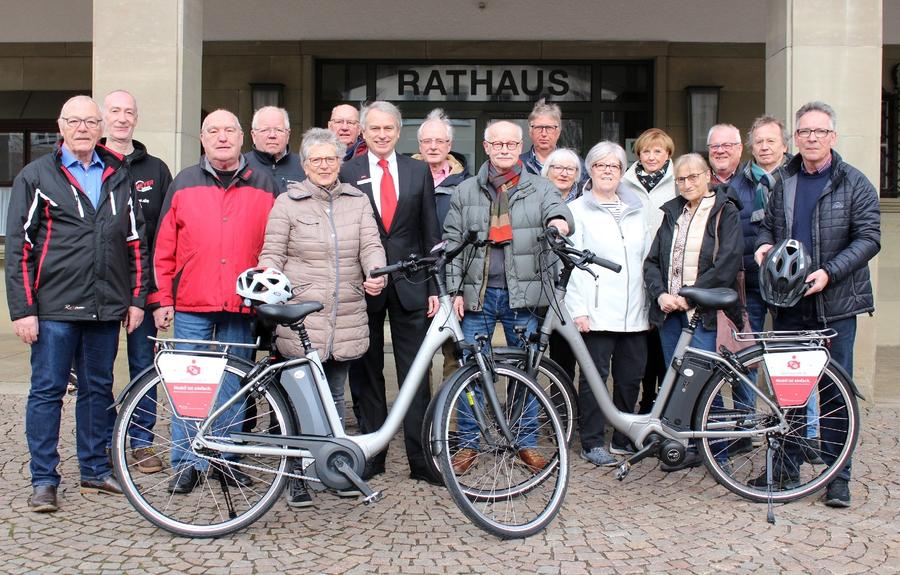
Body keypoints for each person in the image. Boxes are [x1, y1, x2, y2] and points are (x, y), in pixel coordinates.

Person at [6, 95, 148, 512]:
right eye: (74, 121)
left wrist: (136, 299)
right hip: (54, 308)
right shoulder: (36, 176)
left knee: (98, 390)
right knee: (47, 391)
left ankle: (94, 470)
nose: (82, 128)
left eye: (89, 121)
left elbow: (136, 242)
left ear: (100, 127)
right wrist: (23, 310)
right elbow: (18, 247)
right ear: (61, 126)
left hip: (105, 307)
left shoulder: (118, 174)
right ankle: (44, 479)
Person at [755, 101, 881, 508]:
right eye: (805, 131)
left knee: (834, 393)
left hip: (836, 305)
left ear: (833, 137)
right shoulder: (785, 181)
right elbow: (769, 227)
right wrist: (763, 247)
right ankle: (786, 468)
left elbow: (869, 238)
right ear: (795, 138)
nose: (812, 138)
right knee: (789, 391)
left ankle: (837, 477)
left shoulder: (855, 182)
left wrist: (829, 272)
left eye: (820, 131)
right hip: (790, 302)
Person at [150, 109, 278, 494]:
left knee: (232, 387)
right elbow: (164, 245)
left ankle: (226, 459)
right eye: (213, 131)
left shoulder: (265, 183)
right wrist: (162, 298)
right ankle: (187, 462)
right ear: (202, 139)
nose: (222, 137)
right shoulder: (184, 182)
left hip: (241, 304)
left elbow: (277, 242)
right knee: (189, 386)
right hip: (191, 301)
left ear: (241, 138)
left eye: (229, 131)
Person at [258, 127, 386, 507]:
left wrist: (376, 272)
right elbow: (272, 253)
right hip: (302, 316)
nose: (325, 165)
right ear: (305, 164)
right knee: (299, 400)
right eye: (317, 160)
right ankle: (296, 477)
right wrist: (270, 284)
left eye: (331, 158)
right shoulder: (287, 203)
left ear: (340, 162)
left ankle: (332, 469)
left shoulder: (357, 201)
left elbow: (371, 245)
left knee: (334, 396)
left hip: (345, 314)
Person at [443, 120, 574, 474]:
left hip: (526, 296)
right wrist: (454, 290)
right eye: (497, 144)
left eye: (511, 144)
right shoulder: (466, 190)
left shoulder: (541, 187)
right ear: (486, 147)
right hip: (478, 295)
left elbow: (560, 212)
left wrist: (559, 225)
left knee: (527, 372)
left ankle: (526, 442)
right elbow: (452, 242)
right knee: (471, 374)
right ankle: (468, 444)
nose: (504, 149)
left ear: (520, 147)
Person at [338, 101, 441, 484]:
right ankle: (372, 455)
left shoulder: (418, 171)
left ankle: (421, 460)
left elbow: (430, 232)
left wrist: (434, 285)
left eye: (388, 128)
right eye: (375, 129)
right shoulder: (347, 172)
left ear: (399, 132)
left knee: (415, 373)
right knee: (366, 373)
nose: (382, 135)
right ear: (363, 133)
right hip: (363, 285)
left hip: (412, 285)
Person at [643, 153, 743, 471]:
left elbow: (727, 263)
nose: (687, 184)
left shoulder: (725, 211)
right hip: (670, 314)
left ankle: (718, 453)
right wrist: (660, 295)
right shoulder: (672, 212)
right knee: (677, 383)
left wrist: (690, 297)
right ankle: (684, 447)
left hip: (704, 314)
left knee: (705, 382)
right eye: (681, 179)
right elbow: (652, 262)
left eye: (693, 177)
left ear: (708, 176)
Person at [100, 89, 173, 475]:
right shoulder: (91, 164)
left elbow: (166, 237)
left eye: (129, 112)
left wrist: (160, 296)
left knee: (144, 366)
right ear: (104, 117)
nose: (122, 118)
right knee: (99, 369)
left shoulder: (156, 170)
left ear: (136, 118)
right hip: (101, 288)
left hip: (144, 290)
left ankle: (142, 442)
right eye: (115, 111)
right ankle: (102, 441)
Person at [565, 141, 650, 466]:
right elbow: (572, 264)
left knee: (630, 378)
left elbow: (646, 259)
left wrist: (650, 305)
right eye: (600, 165)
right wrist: (579, 310)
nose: (607, 171)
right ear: (590, 169)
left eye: (613, 166)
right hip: (596, 311)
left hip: (635, 311)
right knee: (594, 379)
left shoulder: (637, 208)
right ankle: (592, 441)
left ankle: (623, 437)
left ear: (622, 171)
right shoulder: (577, 210)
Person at [726, 115, 792, 447]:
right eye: (759, 141)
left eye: (771, 141)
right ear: (751, 146)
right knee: (745, 356)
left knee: (790, 357)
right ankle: (745, 428)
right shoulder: (737, 185)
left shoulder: (796, 179)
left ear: (784, 145)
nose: (764, 147)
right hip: (748, 282)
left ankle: (799, 430)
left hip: (788, 285)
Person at [620, 128, 678, 414]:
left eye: (658, 151)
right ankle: (644, 399)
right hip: (634, 269)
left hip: (666, 269)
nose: (651, 157)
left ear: (668, 154)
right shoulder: (624, 183)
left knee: (661, 340)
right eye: (646, 151)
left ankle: (662, 402)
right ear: (638, 154)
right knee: (640, 340)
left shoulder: (678, 182)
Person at [411, 108, 470, 381]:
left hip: (452, 279)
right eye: (427, 141)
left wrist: (461, 287)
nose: (433, 146)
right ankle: (423, 409)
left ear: (449, 145)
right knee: (417, 357)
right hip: (414, 280)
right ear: (419, 144)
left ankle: (450, 408)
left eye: (439, 141)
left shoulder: (466, 185)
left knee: (454, 355)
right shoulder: (404, 177)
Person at [539, 147, 583, 384]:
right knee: (542, 353)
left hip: (575, 286)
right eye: (558, 168)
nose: (564, 173)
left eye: (570, 169)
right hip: (541, 284)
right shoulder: (536, 197)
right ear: (547, 171)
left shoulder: (585, 201)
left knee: (570, 353)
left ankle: (569, 402)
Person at [520, 98, 587, 186]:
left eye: (549, 128)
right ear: (530, 132)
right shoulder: (518, 164)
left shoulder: (576, 163)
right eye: (538, 128)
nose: (544, 134)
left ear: (558, 132)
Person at [244, 106, 306, 193]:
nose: (272, 135)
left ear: (288, 135)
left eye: (278, 130)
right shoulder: (241, 166)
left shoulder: (305, 166)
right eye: (265, 130)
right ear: (254, 135)